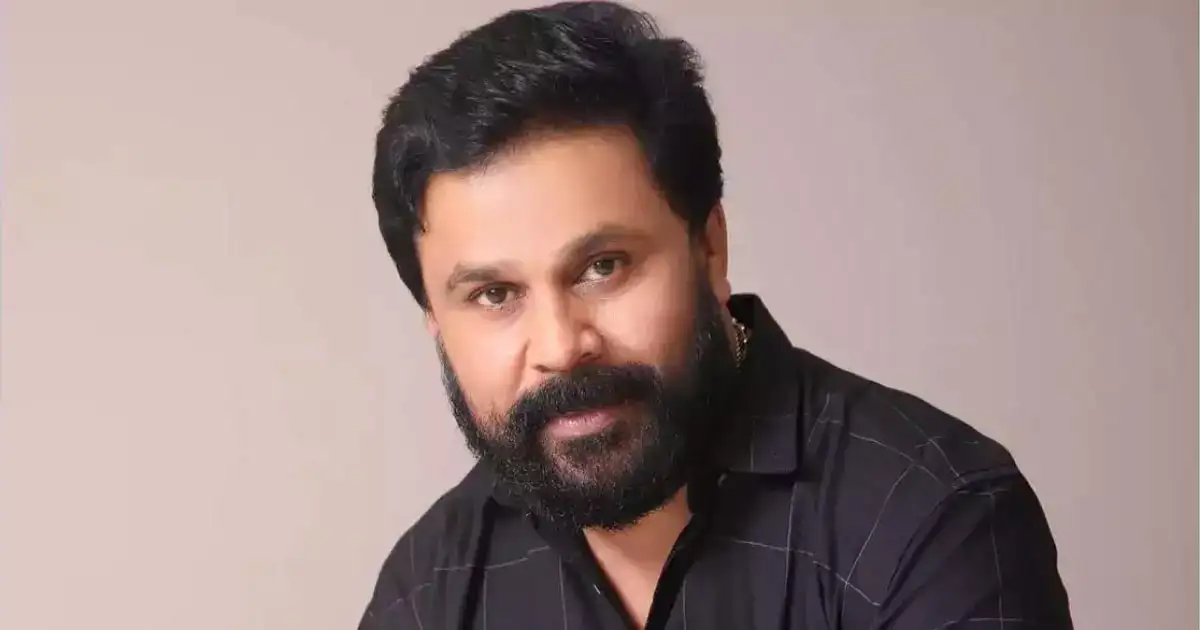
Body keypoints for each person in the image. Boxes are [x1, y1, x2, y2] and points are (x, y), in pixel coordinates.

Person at [357, 2, 1073, 628]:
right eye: (494, 295)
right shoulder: (429, 590)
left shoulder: (930, 517)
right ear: (434, 320)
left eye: (604, 267)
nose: (561, 345)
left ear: (709, 247)